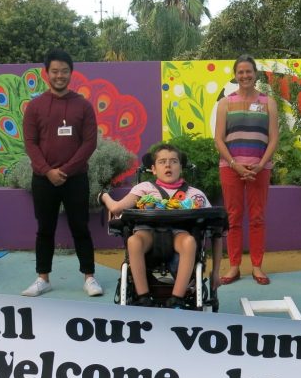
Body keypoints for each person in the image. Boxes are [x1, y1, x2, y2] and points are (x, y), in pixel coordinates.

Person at [21, 48, 102, 298]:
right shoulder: (35, 106)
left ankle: (89, 277)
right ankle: (42, 278)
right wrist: (47, 171)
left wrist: (64, 171)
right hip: (43, 179)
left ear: (71, 73)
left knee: (81, 227)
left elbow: (89, 143)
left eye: (64, 71)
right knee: (45, 228)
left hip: (75, 178)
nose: (59, 75)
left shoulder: (83, 106)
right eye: (54, 71)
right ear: (47, 73)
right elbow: (30, 143)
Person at [100, 143, 222, 308]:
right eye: (162, 161)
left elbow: (216, 230)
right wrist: (104, 196)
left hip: (179, 236)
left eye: (173, 161)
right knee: (133, 241)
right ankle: (143, 298)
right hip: (147, 234)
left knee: (190, 242)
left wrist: (216, 273)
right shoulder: (144, 189)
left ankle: (177, 299)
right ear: (154, 169)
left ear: (181, 167)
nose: (168, 165)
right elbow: (116, 208)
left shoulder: (195, 195)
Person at [215, 54, 279, 285]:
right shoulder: (225, 103)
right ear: (235, 75)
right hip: (230, 167)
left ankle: (257, 267)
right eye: (240, 72)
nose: (245, 76)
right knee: (233, 218)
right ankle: (233, 267)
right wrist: (235, 164)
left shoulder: (268, 103)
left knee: (257, 218)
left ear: (255, 74)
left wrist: (261, 164)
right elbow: (219, 140)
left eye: (248, 71)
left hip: (259, 169)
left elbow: (273, 139)